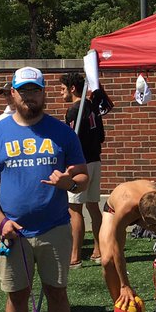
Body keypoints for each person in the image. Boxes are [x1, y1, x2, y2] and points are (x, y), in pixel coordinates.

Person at [0, 66, 88, 312]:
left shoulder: (62, 132)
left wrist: (69, 183)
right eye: (23, 91)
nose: (29, 97)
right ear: (12, 93)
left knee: (57, 293)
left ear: (43, 93)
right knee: (16, 297)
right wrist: (0, 221)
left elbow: (82, 176)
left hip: (55, 227)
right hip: (13, 231)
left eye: (35, 90)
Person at [99, 178, 156, 312]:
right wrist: (124, 285)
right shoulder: (125, 210)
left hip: (146, 207)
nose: (155, 229)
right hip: (113, 209)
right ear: (143, 218)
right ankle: (120, 307)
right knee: (107, 260)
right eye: (152, 225)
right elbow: (117, 250)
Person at [62, 70, 112, 266]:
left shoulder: (74, 110)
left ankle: (74, 256)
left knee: (75, 209)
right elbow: (101, 137)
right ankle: (99, 250)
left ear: (73, 88)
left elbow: (71, 140)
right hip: (95, 160)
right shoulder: (93, 107)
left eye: (63, 89)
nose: (61, 93)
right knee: (93, 205)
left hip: (80, 163)